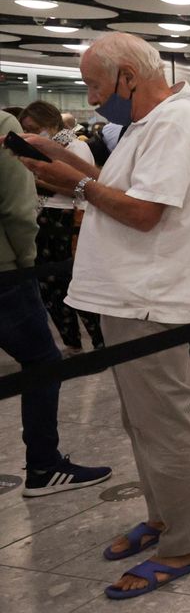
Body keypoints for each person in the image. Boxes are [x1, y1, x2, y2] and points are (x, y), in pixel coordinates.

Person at [20, 32, 190, 597]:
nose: (92, 96)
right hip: (127, 294)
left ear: (129, 76)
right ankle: (162, 517)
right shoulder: (146, 125)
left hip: (150, 296)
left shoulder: (176, 124)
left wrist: (76, 184)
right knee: (141, 420)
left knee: (163, 422)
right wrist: (57, 156)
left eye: (96, 85)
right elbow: (123, 187)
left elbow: (145, 212)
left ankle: (184, 542)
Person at [2, 107, 114, 498]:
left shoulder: (76, 146)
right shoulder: (3, 125)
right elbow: (16, 207)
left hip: (53, 229)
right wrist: (25, 263)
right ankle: (43, 466)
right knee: (41, 363)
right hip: (6, 269)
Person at [19, 101, 104, 353]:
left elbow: (84, 189)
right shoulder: (41, 148)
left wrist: (41, 182)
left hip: (68, 220)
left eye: (35, 128)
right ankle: (71, 342)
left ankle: (100, 342)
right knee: (50, 286)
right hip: (45, 218)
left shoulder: (77, 148)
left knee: (75, 283)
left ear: (52, 123)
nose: (32, 133)